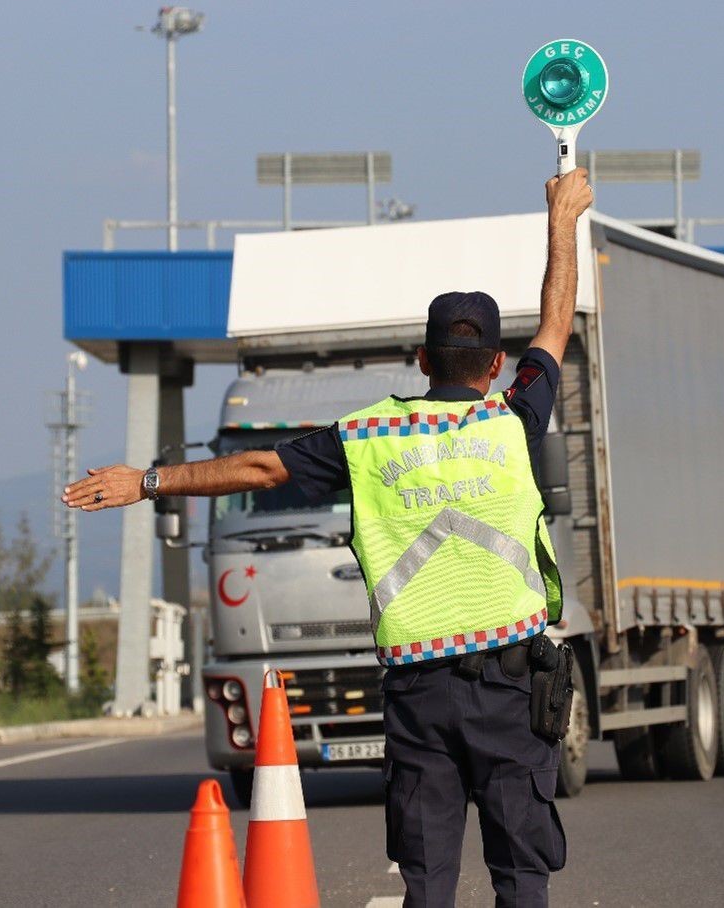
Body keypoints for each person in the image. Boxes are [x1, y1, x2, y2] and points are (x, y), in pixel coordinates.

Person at [64, 167, 594, 907]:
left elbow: (257, 466)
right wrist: (562, 218)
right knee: (522, 875)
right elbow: (557, 320)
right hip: (510, 685)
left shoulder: (369, 436)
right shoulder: (512, 420)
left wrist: (146, 482)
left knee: (428, 879)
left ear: (422, 360)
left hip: (418, 691)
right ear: (498, 366)